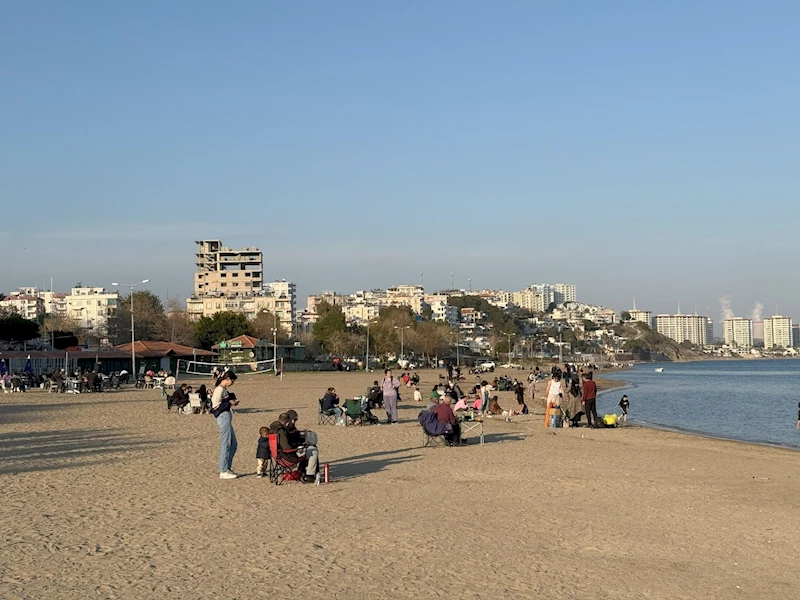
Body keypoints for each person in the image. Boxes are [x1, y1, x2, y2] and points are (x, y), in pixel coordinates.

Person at [269, 413, 316, 483]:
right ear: (287, 423)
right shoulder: (280, 432)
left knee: (306, 449)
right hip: (287, 458)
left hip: (277, 456)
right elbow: (287, 448)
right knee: (313, 450)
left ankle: (302, 471)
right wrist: (298, 448)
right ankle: (309, 475)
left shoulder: (273, 429)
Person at [212, 371, 239, 479]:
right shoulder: (219, 389)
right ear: (227, 379)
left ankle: (227, 467)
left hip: (227, 416)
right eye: (232, 381)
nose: (232, 383)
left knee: (233, 444)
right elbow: (216, 406)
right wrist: (229, 403)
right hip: (223, 417)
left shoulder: (224, 390)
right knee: (226, 443)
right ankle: (223, 470)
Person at [286, 409, 319, 478]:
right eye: (294, 420)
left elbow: (294, 433)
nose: (294, 422)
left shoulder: (288, 427)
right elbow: (290, 438)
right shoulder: (286, 429)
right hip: (292, 451)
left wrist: (300, 433)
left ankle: (304, 470)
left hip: (294, 448)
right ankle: (310, 474)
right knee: (313, 450)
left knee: (312, 446)